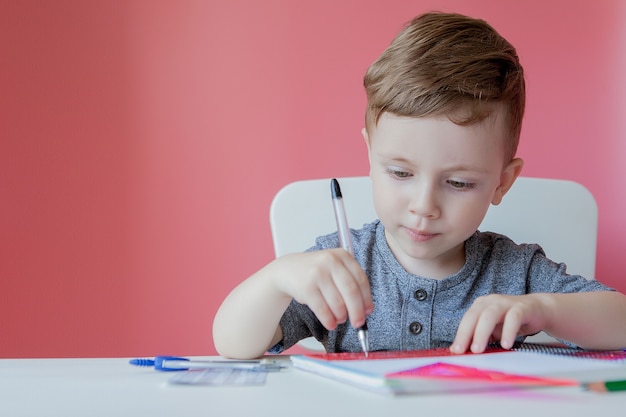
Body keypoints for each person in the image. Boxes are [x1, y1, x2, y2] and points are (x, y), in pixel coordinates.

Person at [212, 12, 626, 359]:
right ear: (370, 155)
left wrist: (544, 309)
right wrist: (277, 277)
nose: (424, 205)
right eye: (400, 173)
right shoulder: (338, 267)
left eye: (459, 182)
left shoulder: (515, 272)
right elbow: (232, 345)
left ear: (502, 182)